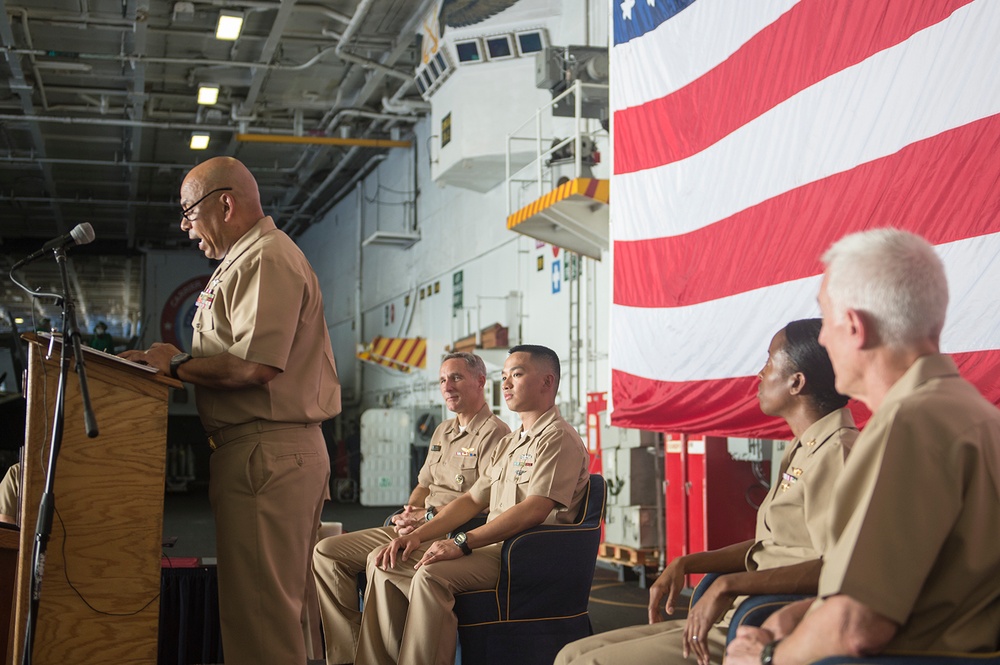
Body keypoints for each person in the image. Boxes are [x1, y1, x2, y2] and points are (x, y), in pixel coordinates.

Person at [727, 228, 1000, 664]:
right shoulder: (975, 416)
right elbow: (919, 594)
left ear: (853, 327)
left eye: (826, 322)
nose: (823, 343)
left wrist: (765, 658)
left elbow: (856, 627)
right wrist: (802, 613)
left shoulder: (907, 428)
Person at [120, 156, 341, 665]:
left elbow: (255, 366)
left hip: (267, 451)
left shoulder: (266, 257)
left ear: (225, 202)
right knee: (284, 613)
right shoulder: (244, 261)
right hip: (265, 452)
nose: (185, 226)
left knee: (262, 619)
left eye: (188, 211)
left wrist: (174, 363)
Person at [555, 319, 857, 665]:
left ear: (796, 382)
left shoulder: (838, 452)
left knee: (583, 663)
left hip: (767, 627)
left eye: (770, 361)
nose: (760, 373)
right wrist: (688, 562)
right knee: (572, 653)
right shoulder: (804, 448)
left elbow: (837, 567)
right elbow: (772, 548)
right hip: (738, 613)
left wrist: (730, 585)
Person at [353, 344, 590, 665]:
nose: (505, 384)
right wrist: (417, 536)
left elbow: (535, 508)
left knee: (431, 576)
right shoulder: (511, 442)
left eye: (516, 375)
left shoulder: (557, 438)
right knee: (386, 563)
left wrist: (463, 542)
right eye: (504, 376)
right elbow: (472, 499)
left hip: (527, 555)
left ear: (547, 382)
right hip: (498, 547)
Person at [311, 352, 509, 664]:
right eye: (443, 379)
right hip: (416, 524)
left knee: (383, 561)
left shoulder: (495, 434)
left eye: (456, 377)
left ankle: (381, 657)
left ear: (480, 381)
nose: (447, 386)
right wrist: (408, 513)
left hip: (450, 531)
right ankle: (348, 652)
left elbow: (480, 502)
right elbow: (424, 484)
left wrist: (426, 518)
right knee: (325, 553)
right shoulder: (443, 430)